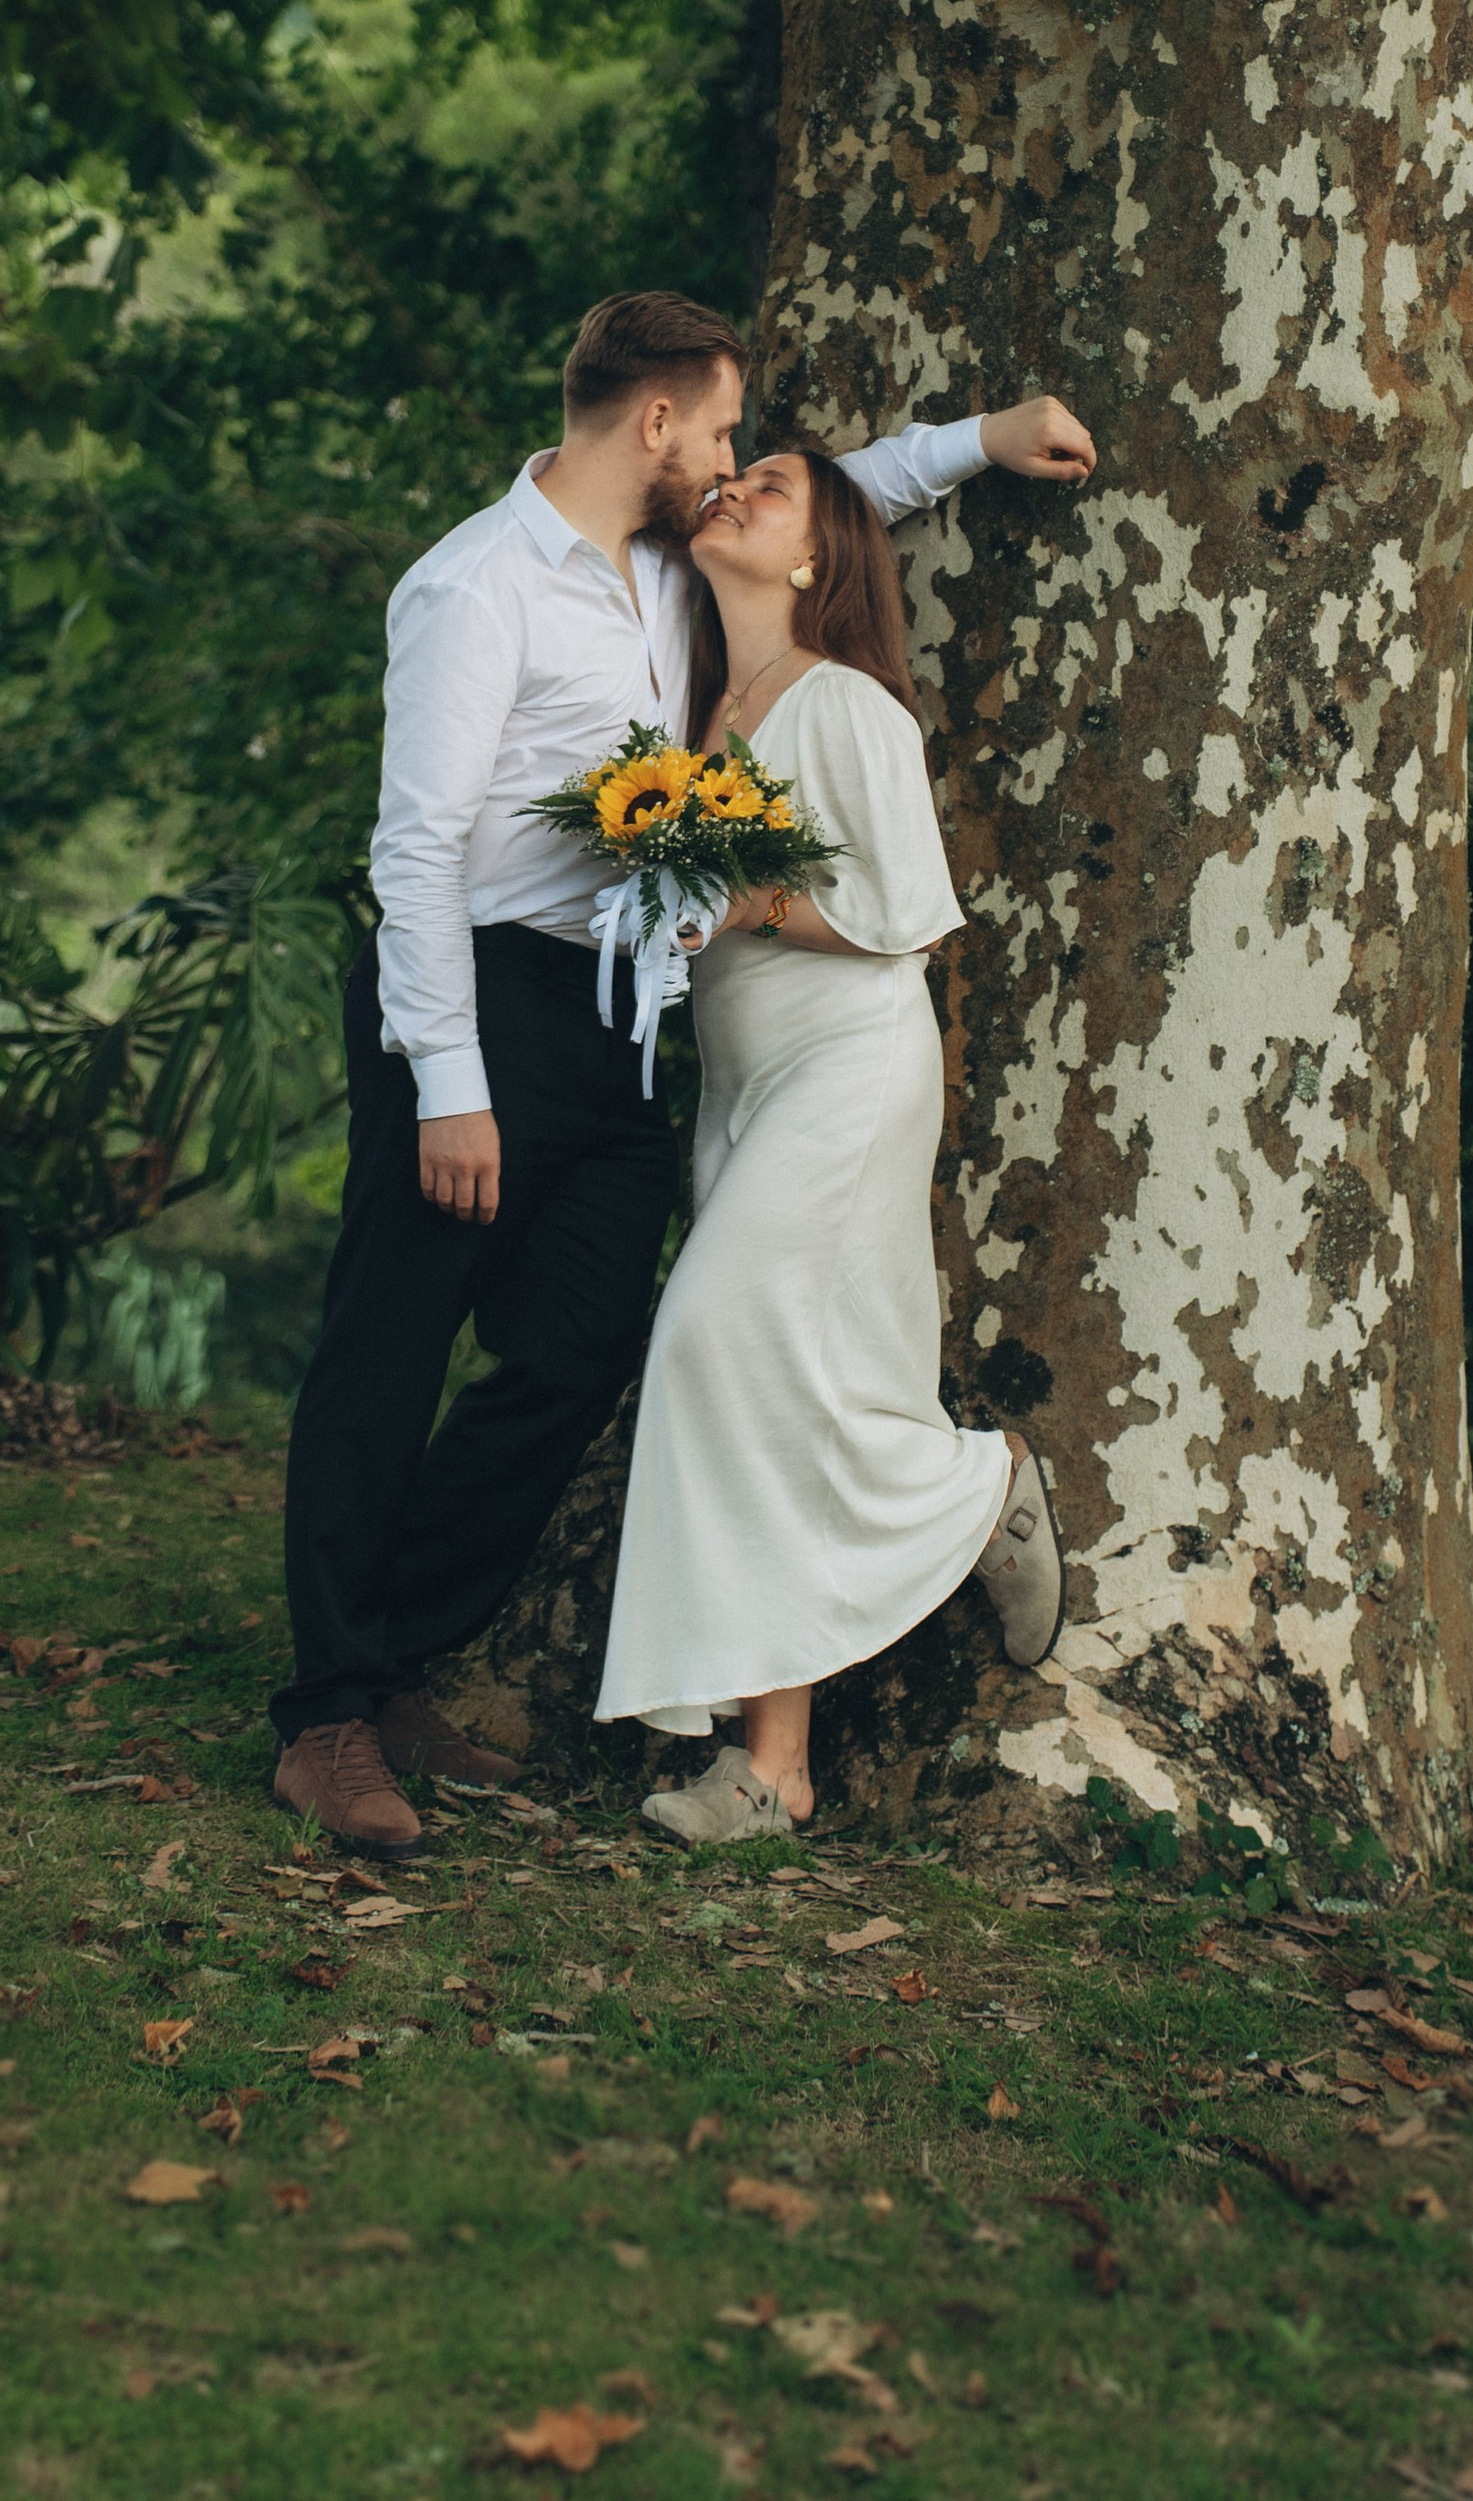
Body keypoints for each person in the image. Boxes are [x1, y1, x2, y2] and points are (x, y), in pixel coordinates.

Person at [271, 289, 1097, 1852]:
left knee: (583, 1353)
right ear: (655, 423)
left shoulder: (672, 562)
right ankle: (327, 1713)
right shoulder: (471, 588)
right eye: (718, 429)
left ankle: (395, 1657)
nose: (730, 463)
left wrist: (981, 442)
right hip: (476, 1002)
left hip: (623, 1026)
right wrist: (450, 1079)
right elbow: (417, 850)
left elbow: (833, 506)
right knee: (388, 1346)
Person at [593, 448, 1065, 1839]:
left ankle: (981, 1492)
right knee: (772, 1389)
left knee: (702, 1338)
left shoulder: (843, 701)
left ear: (817, 561)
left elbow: (910, 910)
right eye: (733, 481)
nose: (736, 491)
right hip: (740, 1077)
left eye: (776, 490)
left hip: (848, 1065)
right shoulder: (690, 712)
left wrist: (743, 908)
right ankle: (772, 1769)